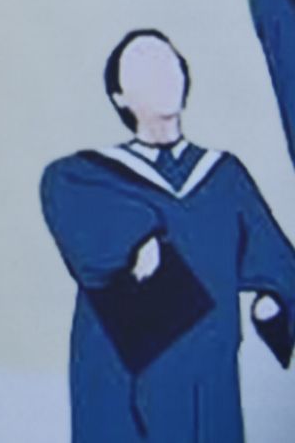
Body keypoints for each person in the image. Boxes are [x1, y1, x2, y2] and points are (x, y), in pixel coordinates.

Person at [40, 29, 295, 442]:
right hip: (128, 374)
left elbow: (273, 258)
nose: (164, 77)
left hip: (207, 372)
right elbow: (73, 210)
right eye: (145, 70)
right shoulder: (84, 175)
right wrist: (139, 239)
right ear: (119, 97)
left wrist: (275, 298)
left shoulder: (224, 175)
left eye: (171, 65)